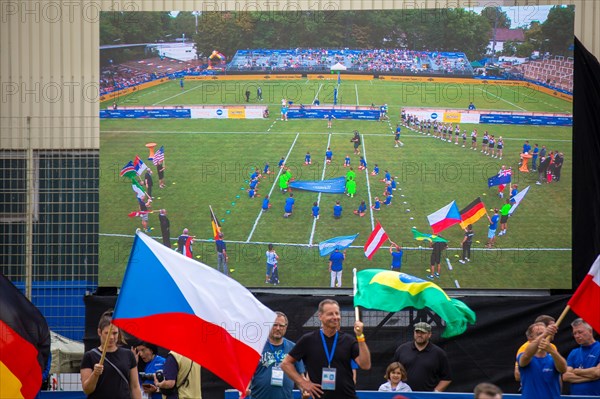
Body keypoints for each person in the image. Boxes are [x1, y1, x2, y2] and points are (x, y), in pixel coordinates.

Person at [280, 299, 371, 399]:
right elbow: (286, 364)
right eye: (330, 314)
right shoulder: (308, 340)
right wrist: (303, 383)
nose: (335, 317)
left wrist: (360, 336)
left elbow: (365, 365)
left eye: (337, 313)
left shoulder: (348, 340)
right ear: (320, 316)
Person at [80, 310, 142, 399]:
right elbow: (87, 390)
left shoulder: (128, 355)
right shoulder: (89, 356)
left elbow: (135, 387)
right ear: (99, 332)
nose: (111, 337)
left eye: (115, 333)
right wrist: (95, 374)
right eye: (107, 333)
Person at [247, 312, 305, 399]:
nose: (278, 328)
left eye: (281, 326)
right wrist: (245, 387)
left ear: (285, 327)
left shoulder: (293, 347)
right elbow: (247, 373)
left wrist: (304, 389)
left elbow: (300, 376)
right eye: (275, 325)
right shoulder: (257, 346)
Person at [392, 322, 451, 392]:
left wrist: (435, 393)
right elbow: (391, 372)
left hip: (427, 397)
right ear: (414, 333)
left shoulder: (439, 353)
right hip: (403, 395)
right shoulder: (402, 349)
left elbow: (447, 378)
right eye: (417, 332)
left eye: (423, 333)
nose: (419, 335)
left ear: (429, 334)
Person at [517, 322, 566, 399]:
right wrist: (544, 334)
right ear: (530, 338)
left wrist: (552, 351)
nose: (545, 337)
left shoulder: (553, 357)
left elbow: (563, 369)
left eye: (547, 334)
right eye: (539, 334)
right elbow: (526, 356)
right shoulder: (523, 356)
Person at [562, 318, 600, 395]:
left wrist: (576, 371)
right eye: (574, 333)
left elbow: (598, 372)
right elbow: (566, 376)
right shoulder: (574, 352)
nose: (577, 336)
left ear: (590, 331)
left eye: (580, 332)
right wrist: (592, 376)